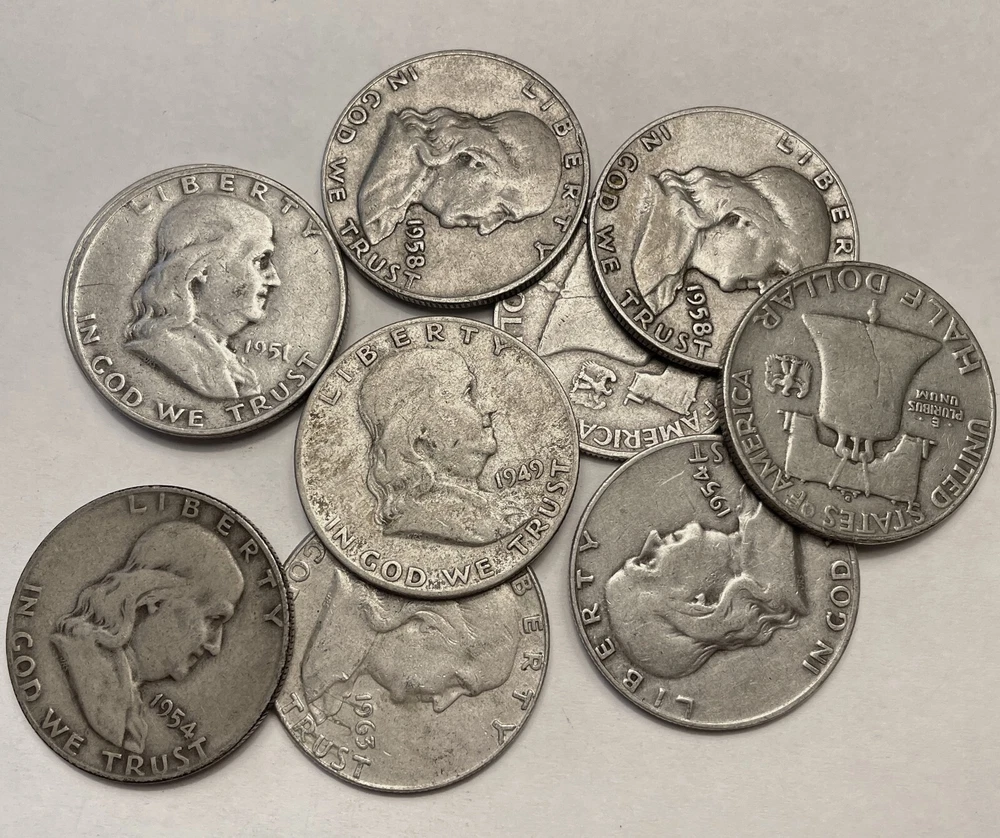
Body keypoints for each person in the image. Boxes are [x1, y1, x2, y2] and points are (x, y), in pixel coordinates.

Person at [51, 522, 245, 753]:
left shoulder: (124, 697)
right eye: (213, 618)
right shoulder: (84, 669)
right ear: (154, 599)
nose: (215, 645)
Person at [605, 488, 807, 679]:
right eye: (650, 563)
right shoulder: (778, 538)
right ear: (698, 603)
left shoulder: (759, 521)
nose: (652, 539)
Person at [301, 564, 521, 722]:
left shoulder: (327, 684)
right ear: (430, 625)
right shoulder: (339, 598)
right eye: (458, 682)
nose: (441, 704)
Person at [358, 348, 522, 545]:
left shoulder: (490, 512)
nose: (488, 406)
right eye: (467, 393)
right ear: (420, 430)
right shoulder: (472, 527)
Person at [124, 194, 281, 399]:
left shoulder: (224, 359)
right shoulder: (170, 354)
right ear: (202, 269)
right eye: (260, 261)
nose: (274, 279)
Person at [631, 166, 830, 313]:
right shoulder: (651, 219)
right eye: (777, 270)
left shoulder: (665, 278)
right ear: (745, 221)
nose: (765, 289)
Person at [359, 106, 561, 244]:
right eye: (502, 211)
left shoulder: (389, 205)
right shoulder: (376, 197)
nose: (486, 228)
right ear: (476, 159)